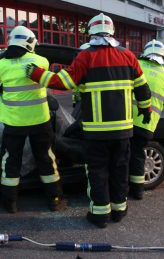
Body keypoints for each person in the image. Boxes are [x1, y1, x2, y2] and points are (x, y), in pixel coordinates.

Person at [27, 13, 152, 228]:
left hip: (96, 132)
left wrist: (37, 74)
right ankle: (119, 210)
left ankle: (99, 214)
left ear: (91, 33)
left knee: (97, 172)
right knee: (119, 170)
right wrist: (145, 109)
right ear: (112, 31)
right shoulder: (128, 56)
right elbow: (142, 88)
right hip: (123, 131)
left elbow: (62, 82)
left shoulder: (86, 57)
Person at [0, 25, 65, 213]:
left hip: (14, 123)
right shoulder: (42, 61)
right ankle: (54, 198)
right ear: (30, 42)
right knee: (46, 158)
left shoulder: (1, 65)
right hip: (40, 120)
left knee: (11, 160)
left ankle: (10, 203)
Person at [129, 40, 164, 200]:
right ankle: (137, 192)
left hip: (125, 121)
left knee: (121, 155)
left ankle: (118, 191)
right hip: (146, 125)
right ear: (162, 55)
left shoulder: (134, 64)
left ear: (145, 52)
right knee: (138, 156)